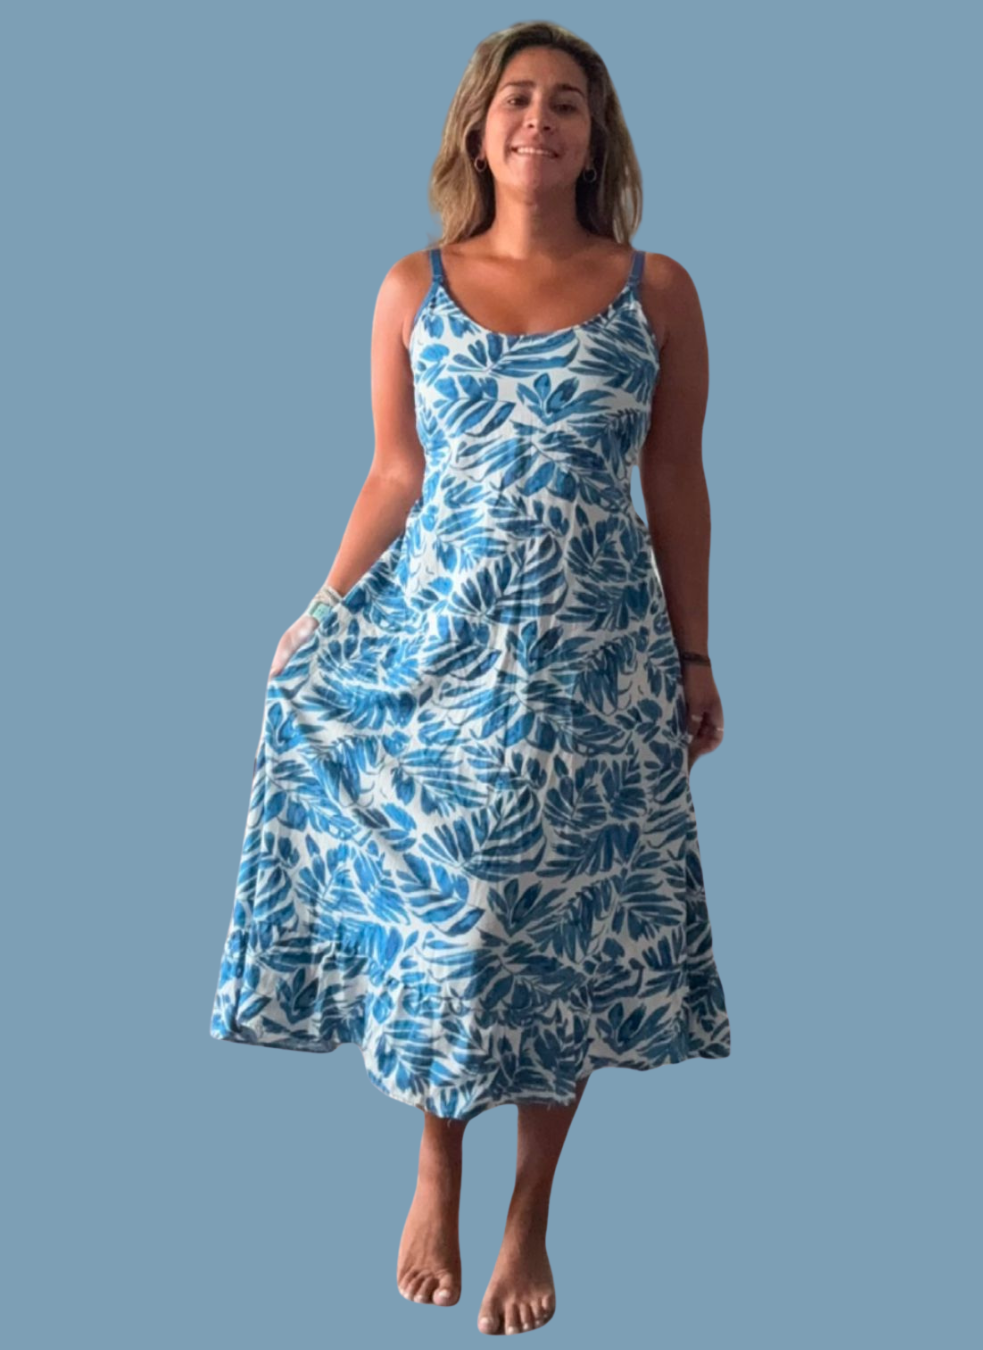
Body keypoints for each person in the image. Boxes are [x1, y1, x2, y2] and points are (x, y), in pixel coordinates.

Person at [210, 20, 731, 1336]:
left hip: (598, 664)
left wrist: (695, 651)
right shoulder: (413, 284)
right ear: (480, 128)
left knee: (569, 928)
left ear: (594, 139)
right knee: (458, 918)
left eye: (566, 103)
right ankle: (437, 1165)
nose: (538, 118)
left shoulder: (658, 288)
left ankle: (529, 1212)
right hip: (438, 656)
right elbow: (396, 471)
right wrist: (320, 610)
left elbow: (675, 479)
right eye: (517, 99)